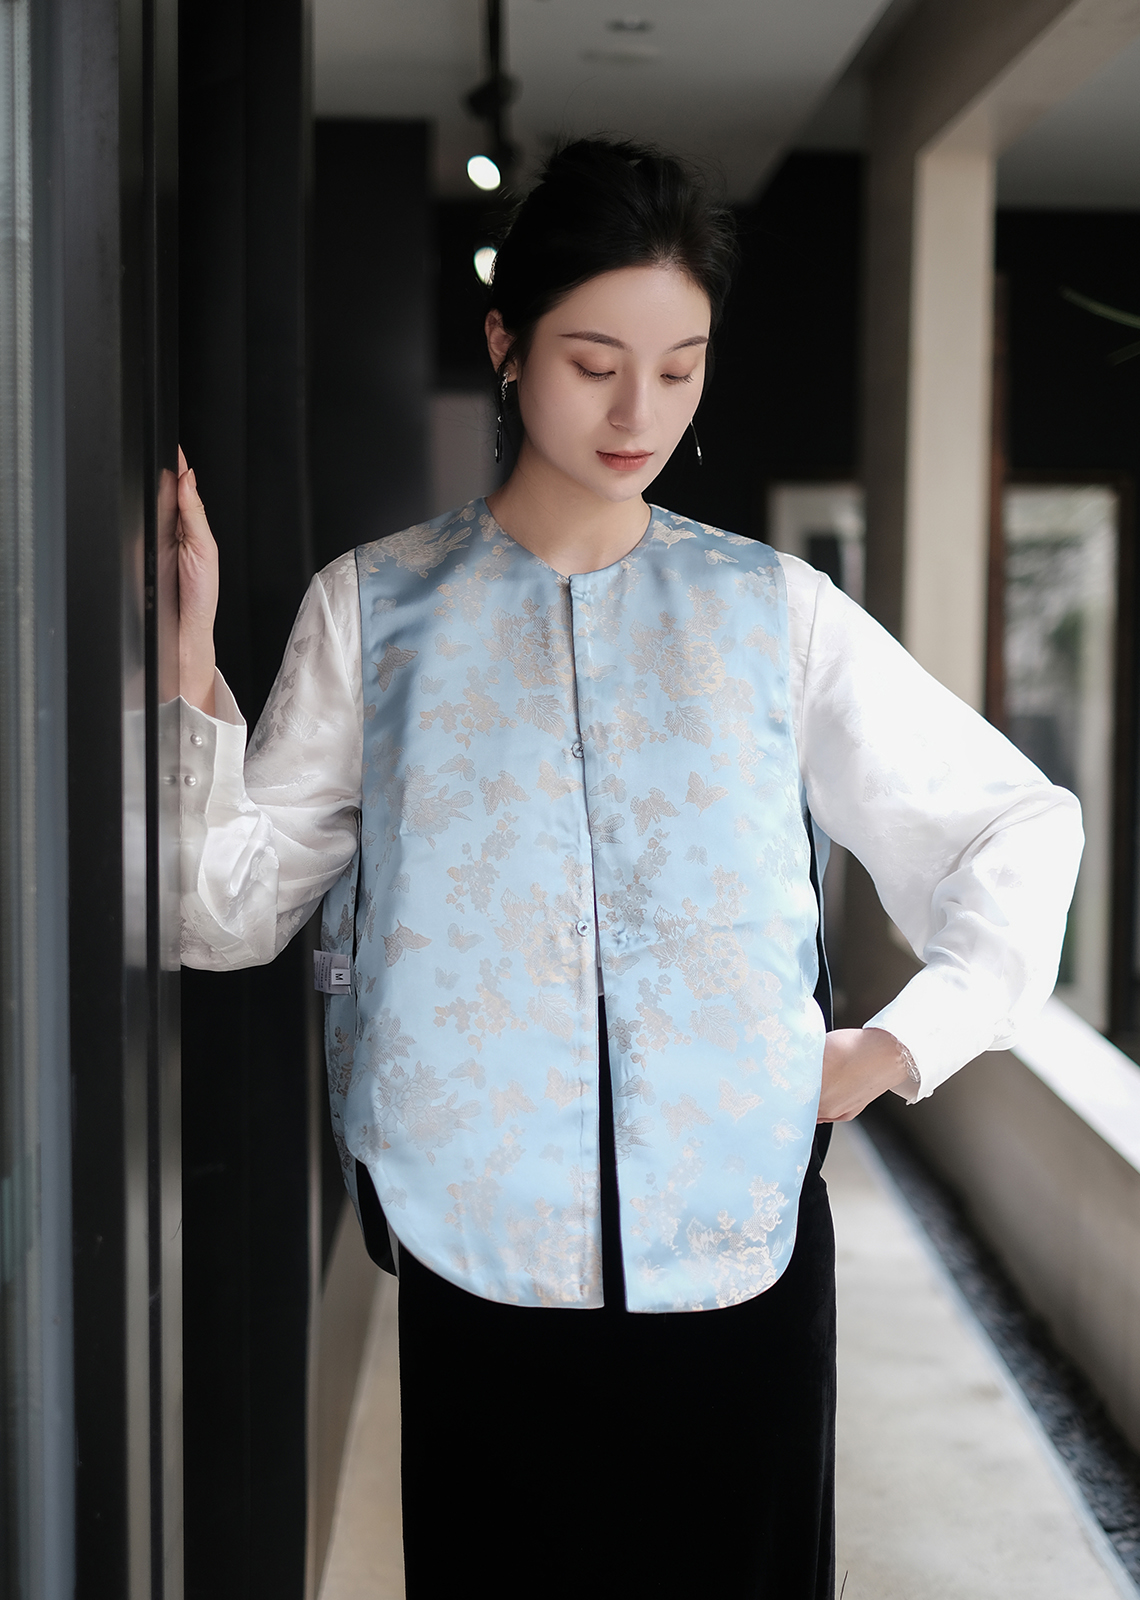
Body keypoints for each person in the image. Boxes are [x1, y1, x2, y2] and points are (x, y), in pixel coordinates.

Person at [176, 138, 1083, 1599]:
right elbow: (221, 914)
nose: (637, 412)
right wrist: (181, 678)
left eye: (680, 368)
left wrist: (898, 1046)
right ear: (506, 344)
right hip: (480, 1263)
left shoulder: (773, 613)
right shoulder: (376, 612)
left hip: (739, 1263)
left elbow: (1013, 825)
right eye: (595, 363)